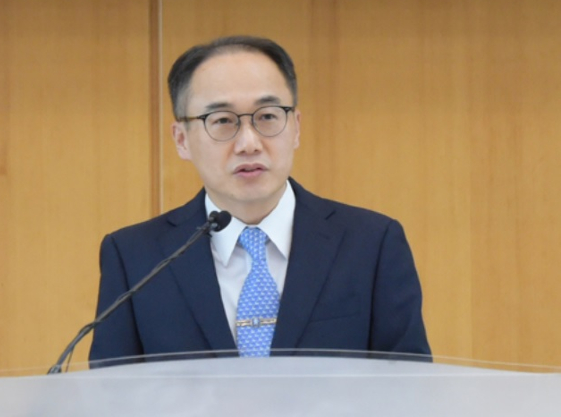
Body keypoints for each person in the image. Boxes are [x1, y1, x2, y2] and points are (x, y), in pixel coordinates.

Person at [89, 36, 431, 365]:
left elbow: (409, 387)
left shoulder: (371, 244)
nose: (249, 143)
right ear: (182, 140)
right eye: (222, 121)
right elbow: (110, 392)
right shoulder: (136, 257)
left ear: (296, 127)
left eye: (267, 116)